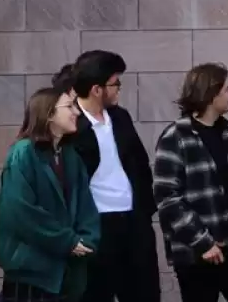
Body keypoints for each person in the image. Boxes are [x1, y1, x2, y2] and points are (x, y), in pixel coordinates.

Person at [154, 63, 228, 302]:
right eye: (226, 89)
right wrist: (202, 242)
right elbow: (167, 198)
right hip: (197, 254)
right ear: (210, 93)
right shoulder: (176, 136)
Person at [70, 50, 160, 302]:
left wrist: (144, 210)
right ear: (97, 89)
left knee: (144, 293)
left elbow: (141, 165)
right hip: (95, 226)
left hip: (133, 222)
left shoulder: (120, 117)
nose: (119, 89)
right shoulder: (71, 124)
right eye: (115, 83)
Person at [0, 87, 100, 302]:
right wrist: (68, 241)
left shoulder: (70, 155)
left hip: (66, 273)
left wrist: (88, 239)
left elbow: (85, 205)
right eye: (69, 106)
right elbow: (19, 210)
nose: (77, 112)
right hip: (31, 274)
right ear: (49, 113)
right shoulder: (23, 153)